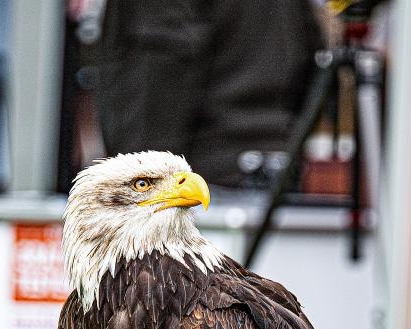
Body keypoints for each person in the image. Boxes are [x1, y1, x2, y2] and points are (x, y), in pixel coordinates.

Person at [96, 0, 322, 188]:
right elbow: (313, 56)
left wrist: (140, 183)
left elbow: (155, 78)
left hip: (193, 185)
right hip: (275, 168)